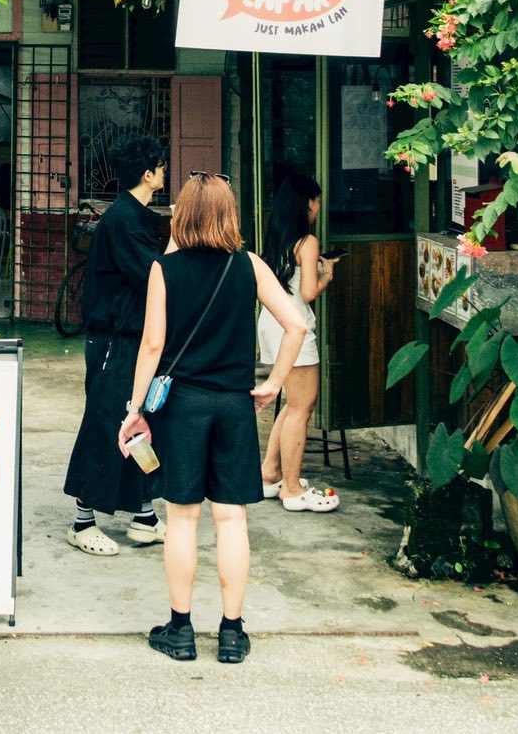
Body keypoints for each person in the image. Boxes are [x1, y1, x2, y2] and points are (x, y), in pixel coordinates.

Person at [118, 173, 308, 665]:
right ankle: (231, 632)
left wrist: (134, 410)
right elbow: (296, 324)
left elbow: (152, 345)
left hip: (182, 406)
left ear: (182, 214)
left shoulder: (164, 269)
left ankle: (180, 630)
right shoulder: (249, 265)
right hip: (234, 405)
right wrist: (273, 383)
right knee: (231, 518)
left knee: (182, 518)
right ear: (229, 214)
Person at [62, 134, 168, 556]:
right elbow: (154, 276)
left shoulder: (132, 215)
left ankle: (144, 515)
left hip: (130, 337)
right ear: (148, 174)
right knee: (106, 423)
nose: (165, 171)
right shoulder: (124, 220)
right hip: (114, 340)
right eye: (161, 166)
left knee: (138, 421)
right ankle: (82, 521)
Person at [258, 175, 340, 512]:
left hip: (271, 322)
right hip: (294, 327)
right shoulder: (308, 242)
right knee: (302, 407)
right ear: (307, 203)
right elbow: (307, 293)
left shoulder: (277, 235)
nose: (318, 207)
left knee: (293, 404)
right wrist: (327, 274)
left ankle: (270, 472)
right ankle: (291, 489)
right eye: (316, 200)